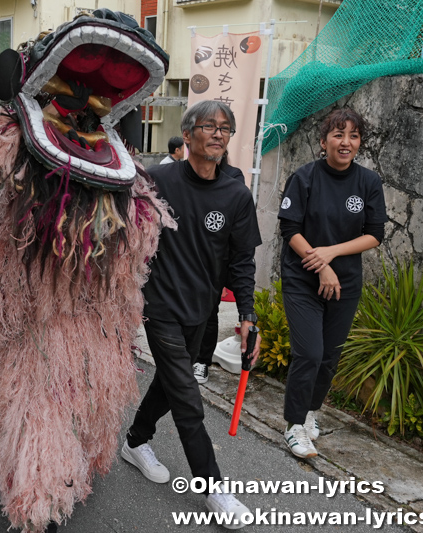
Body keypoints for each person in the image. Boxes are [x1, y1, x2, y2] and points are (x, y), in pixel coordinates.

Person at [121, 100, 261, 527]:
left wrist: (247, 314)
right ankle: (213, 487)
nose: (218, 134)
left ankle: (135, 440)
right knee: (187, 398)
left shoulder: (236, 195)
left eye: (226, 128)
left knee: (170, 381)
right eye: (209, 126)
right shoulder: (157, 180)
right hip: (160, 306)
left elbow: (241, 262)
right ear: (188, 134)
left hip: (201, 311)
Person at [277, 108, 386, 459]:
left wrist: (331, 255)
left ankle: (310, 413)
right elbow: (290, 229)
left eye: (353, 136)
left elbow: (375, 235)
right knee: (309, 352)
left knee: (329, 357)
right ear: (323, 142)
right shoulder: (305, 178)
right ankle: (293, 425)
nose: (346, 142)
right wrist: (320, 265)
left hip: (346, 282)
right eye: (338, 134)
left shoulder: (369, 182)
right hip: (302, 279)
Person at [192, 158, 248, 384]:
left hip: (215, 260)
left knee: (208, 312)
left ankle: (202, 361)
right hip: (187, 254)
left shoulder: (233, 176)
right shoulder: (185, 174)